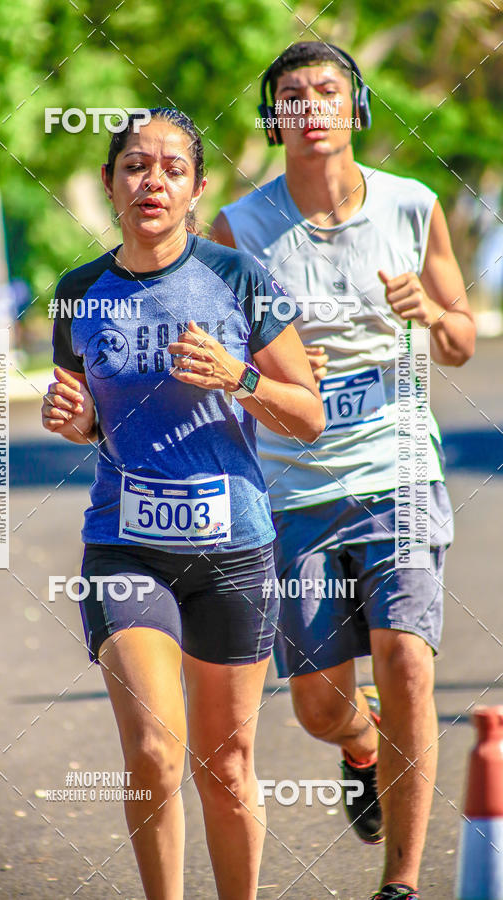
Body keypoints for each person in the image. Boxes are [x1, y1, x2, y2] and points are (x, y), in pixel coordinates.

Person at [211, 42, 476, 900]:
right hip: (294, 488)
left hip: (399, 468)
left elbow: (463, 340)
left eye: (329, 89)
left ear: (355, 108)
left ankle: (399, 884)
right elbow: (218, 364)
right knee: (321, 706)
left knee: (406, 657)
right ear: (273, 116)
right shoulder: (240, 231)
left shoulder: (413, 206)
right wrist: (273, 378)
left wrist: (430, 310)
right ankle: (362, 749)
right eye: (292, 94)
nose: (312, 103)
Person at [41, 106, 324, 900]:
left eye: (171, 168)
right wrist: (77, 419)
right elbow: (88, 413)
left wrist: (239, 376)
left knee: (226, 765)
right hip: (124, 544)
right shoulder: (77, 293)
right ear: (108, 184)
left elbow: (308, 413)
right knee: (156, 752)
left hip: (233, 546)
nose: (152, 180)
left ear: (197, 189)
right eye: (134, 166)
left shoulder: (236, 279)